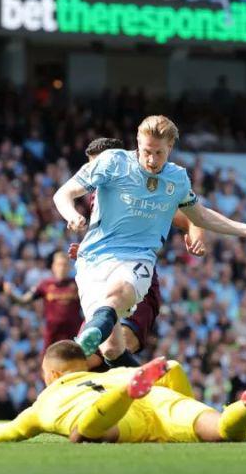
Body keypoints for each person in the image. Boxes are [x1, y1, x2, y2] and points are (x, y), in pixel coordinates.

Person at [52, 116, 246, 367]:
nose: (152, 159)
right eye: (147, 151)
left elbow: (199, 215)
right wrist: (72, 215)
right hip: (93, 259)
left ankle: (88, 337)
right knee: (112, 350)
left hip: (137, 257)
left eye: (159, 153)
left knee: (118, 295)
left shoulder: (177, 178)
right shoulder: (113, 162)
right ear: (137, 142)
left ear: (170, 148)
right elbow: (64, 193)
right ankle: (150, 386)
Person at [0, 340, 246, 444]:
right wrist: (187, 401)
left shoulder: (44, 402)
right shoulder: (120, 370)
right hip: (162, 400)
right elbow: (174, 371)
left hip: (114, 410)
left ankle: (124, 398)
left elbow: (1, 432)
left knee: (85, 433)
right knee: (223, 431)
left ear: (52, 372)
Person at [71, 136, 207, 368]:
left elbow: (193, 218)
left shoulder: (139, 191)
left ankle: (151, 388)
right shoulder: (97, 194)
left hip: (135, 280)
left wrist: (196, 237)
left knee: (114, 345)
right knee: (88, 356)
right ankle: (144, 383)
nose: (94, 174)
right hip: (103, 277)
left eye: (97, 166)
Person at [4, 251, 83, 351]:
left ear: (69, 267)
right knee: (48, 363)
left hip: (74, 333)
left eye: (65, 265)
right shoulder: (45, 284)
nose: (62, 268)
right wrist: (11, 294)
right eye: (59, 264)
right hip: (53, 334)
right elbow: (24, 300)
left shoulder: (77, 283)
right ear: (53, 266)